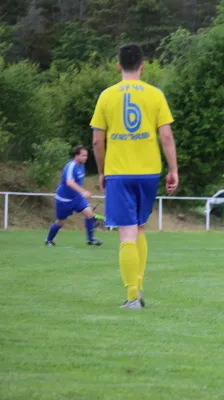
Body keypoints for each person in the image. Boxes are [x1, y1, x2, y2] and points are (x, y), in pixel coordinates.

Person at [91, 43, 178, 308]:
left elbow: (97, 141)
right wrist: (173, 169)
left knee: (126, 233)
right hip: (149, 172)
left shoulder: (106, 96)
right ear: (143, 65)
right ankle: (138, 287)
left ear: (118, 66)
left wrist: (103, 170)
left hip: (120, 172)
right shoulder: (155, 95)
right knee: (139, 227)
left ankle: (132, 297)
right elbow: (165, 136)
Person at [45, 145, 103, 247]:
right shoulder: (70, 166)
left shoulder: (82, 165)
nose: (86, 157)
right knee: (60, 222)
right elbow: (70, 182)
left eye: (86, 155)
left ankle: (90, 240)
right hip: (64, 200)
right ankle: (49, 240)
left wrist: (80, 193)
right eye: (83, 155)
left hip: (76, 198)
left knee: (89, 214)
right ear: (76, 156)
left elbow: (77, 182)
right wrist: (83, 192)